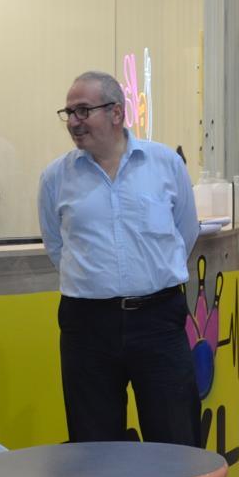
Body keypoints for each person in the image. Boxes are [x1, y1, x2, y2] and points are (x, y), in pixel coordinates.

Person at [38, 71, 201, 446]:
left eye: (83, 110)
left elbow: (185, 232)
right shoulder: (55, 177)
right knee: (95, 446)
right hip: (87, 325)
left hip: (158, 319)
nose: (74, 122)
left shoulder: (165, 164)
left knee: (177, 441)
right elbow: (56, 245)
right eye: (69, 113)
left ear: (116, 112)